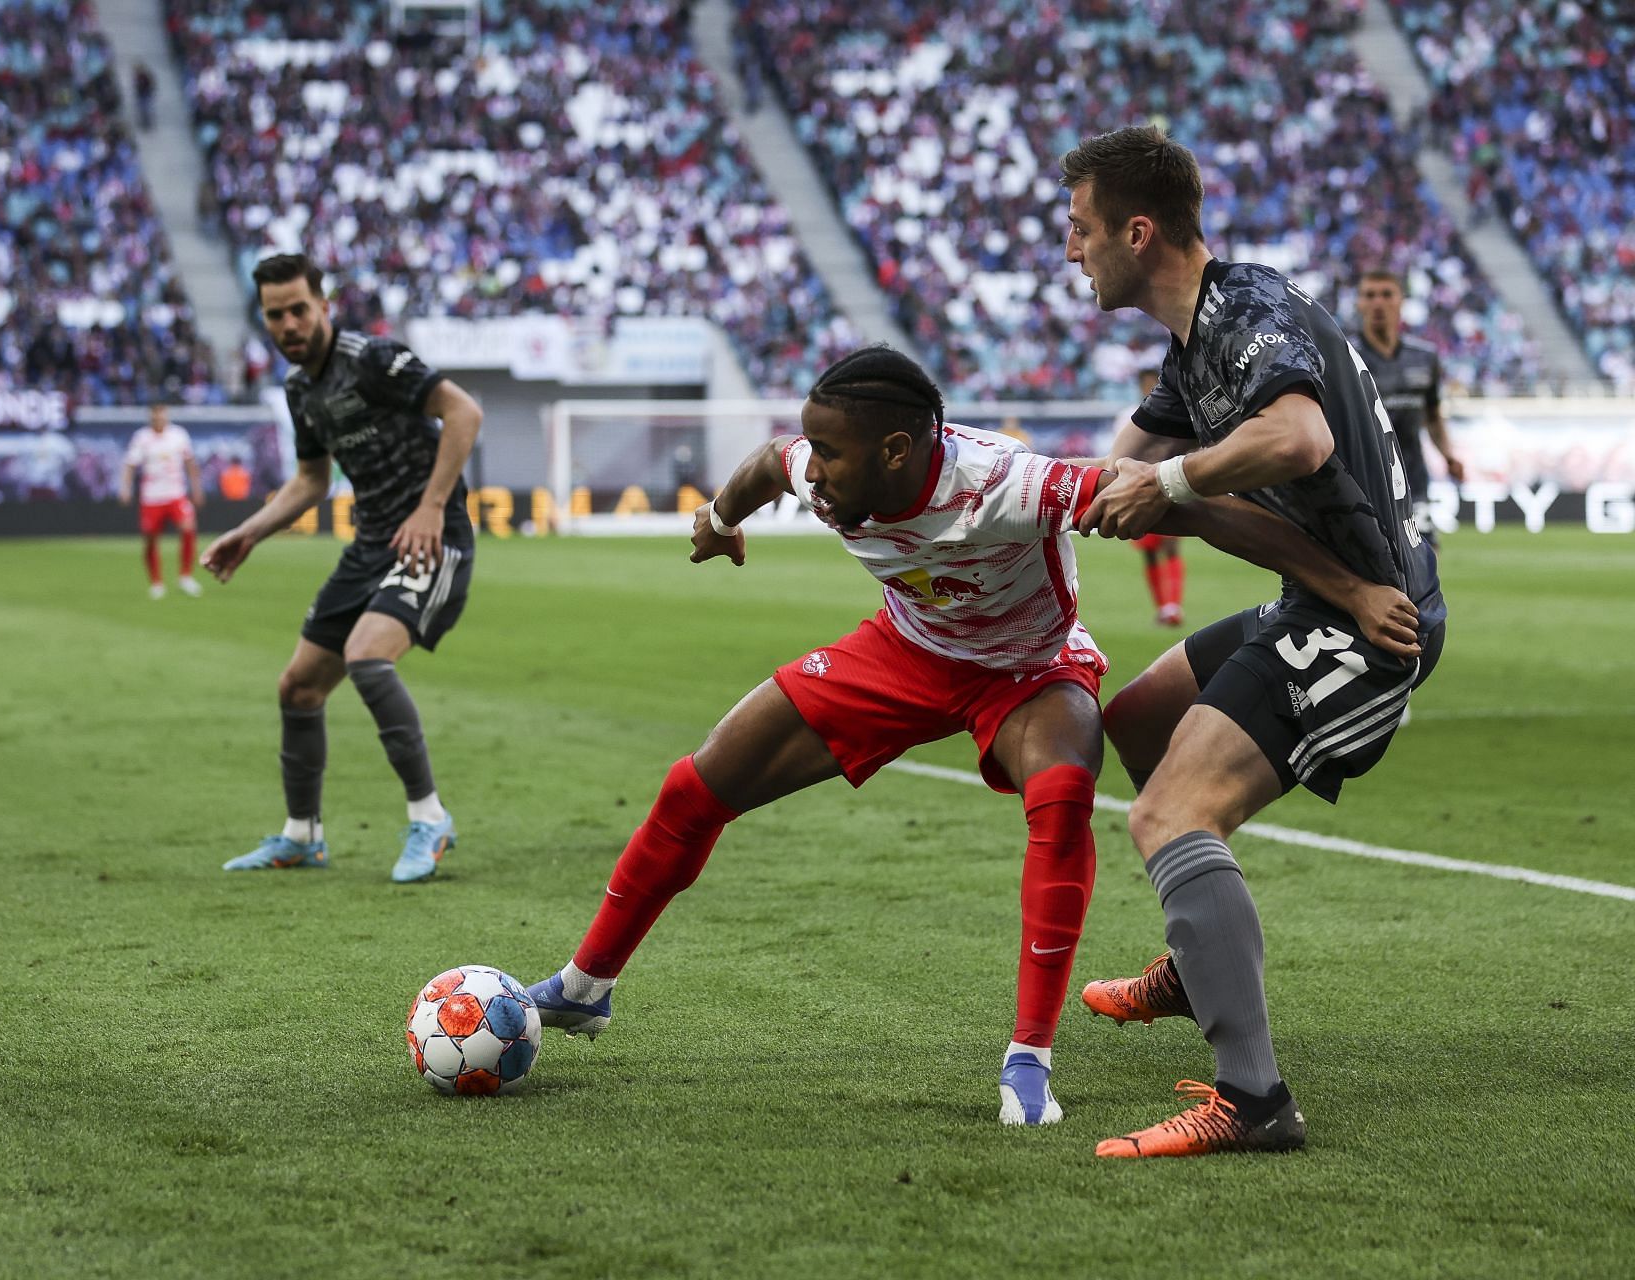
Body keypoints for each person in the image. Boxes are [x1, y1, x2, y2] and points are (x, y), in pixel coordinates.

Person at [523, 346, 1418, 1129]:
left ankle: (1029, 1056)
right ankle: (584, 986)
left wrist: (1345, 589)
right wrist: (720, 522)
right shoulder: (817, 468)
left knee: (1063, 791)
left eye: (831, 455)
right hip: (904, 651)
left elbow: (1192, 511)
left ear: (898, 451)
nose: (816, 473)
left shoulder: (1008, 486)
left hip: (1031, 670)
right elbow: (765, 464)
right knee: (700, 782)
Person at [1062, 126, 1445, 1158]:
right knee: (1136, 716)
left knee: (1168, 810)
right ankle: (1200, 957)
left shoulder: (1250, 313)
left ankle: (1255, 1099)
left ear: (1138, 233)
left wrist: (1172, 485)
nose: (1070, 249)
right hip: (1317, 600)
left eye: (1081, 228)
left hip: (1377, 624)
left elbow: (1300, 441)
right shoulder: (1193, 348)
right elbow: (1115, 470)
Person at [201, 254, 484, 882]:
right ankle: (302, 837)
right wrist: (249, 534)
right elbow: (309, 480)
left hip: (431, 539)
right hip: (370, 546)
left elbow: (463, 411)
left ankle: (430, 817)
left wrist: (432, 507)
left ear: (323, 305)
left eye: (299, 309)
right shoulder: (300, 388)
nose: (289, 324)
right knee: (298, 688)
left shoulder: (374, 360)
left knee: (365, 654)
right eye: (276, 315)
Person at [1353, 268, 1466, 545]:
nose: (1378, 302)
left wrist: (1449, 456)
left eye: (1386, 294)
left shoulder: (1424, 357)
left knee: (1426, 563)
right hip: (1365, 482)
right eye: (1370, 295)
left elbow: (1432, 415)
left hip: (1414, 481)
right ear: (1359, 303)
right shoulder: (1346, 356)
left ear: (1401, 301)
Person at [1113, 368, 1187, 626]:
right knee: (1150, 552)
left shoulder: (1174, 412)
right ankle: (1162, 606)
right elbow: (1119, 456)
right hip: (1138, 488)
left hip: (1167, 483)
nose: (1148, 387)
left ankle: (1173, 606)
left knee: (1170, 545)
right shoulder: (1129, 417)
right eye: (1144, 383)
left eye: (1151, 383)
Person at [120, 403, 204, 599]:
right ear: (151, 417)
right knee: (150, 537)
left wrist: (196, 488)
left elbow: (190, 463)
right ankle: (156, 582)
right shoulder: (142, 438)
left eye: (162, 415)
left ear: (166, 416)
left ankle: (185, 576)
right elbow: (130, 465)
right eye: (155, 416)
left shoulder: (178, 435)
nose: (159, 419)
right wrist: (125, 488)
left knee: (188, 527)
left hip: (176, 493)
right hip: (152, 496)